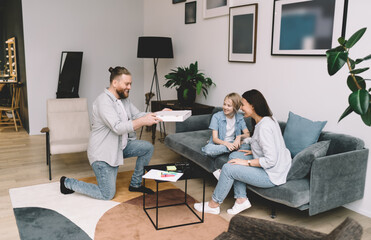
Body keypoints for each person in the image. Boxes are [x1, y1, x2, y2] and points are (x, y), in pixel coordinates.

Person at [59, 66, 163, 200]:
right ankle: (67, 182)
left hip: (120, 147)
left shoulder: (124, 100)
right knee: (107, 194)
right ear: (115, 83)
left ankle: (135, 184)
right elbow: (118, 127)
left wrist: (160, 114)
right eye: (127, 84)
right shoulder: (103, 102)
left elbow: (138, 115)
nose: (130, 87)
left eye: (130, 84)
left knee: (147, 148)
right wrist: (143, 121)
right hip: (103, 155)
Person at [194, 89, 292, 215]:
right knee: (235, 155)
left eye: (243, 105)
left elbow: (270, 160)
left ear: (253, 105)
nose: (240, 108)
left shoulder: (264, 128)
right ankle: (241, 199)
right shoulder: (267, 119)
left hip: (271, 175)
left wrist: (248, 163)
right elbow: (261, 142)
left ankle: (214, 205)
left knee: (229, 168)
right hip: (276, 165)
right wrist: (245, 143)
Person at [201, 92, 250, 179]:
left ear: (236, 107)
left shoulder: (240, 118)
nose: (225, 107)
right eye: (224, 104)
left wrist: (239, 137)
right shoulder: (217, 117)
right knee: (208, 149)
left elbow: (247, 134)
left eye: (229, 105)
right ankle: (232, 149)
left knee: (248, 146)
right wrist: (227, 145)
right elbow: (215, 139)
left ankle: (224, 167)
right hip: (220, 144)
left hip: (233, 143)